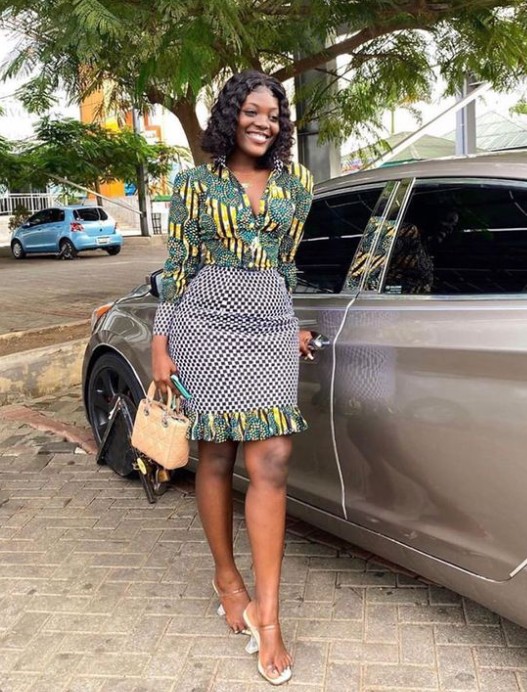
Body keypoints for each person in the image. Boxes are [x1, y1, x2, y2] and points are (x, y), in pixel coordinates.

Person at [151, 70, 314, 685]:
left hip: (269, 326)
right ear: (231, 116)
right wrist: (161, 345)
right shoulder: (194, 183)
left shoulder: (298, 183)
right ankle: (227, 578)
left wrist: (291, 325)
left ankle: (268, 615)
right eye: (252, 111)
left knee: (272, 457)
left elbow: (287, 264)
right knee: (216, 455)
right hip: (204, 326)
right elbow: (177, 267)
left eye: (273, 115)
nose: (263, 123)